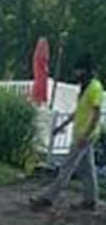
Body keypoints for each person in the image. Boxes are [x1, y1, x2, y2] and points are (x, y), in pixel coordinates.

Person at [31, 55, 101, 212]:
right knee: (87, 170)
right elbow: (79, 112)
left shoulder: (94, 88)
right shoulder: (85, 88)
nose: (76, 73)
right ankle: (90, 200)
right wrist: (62, 126)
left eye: (78, 70)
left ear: (85, 70)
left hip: (84, 135)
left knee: (66, 167)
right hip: (82, 134)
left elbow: (96, 114)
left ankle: (48, 197)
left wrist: (85, 135)